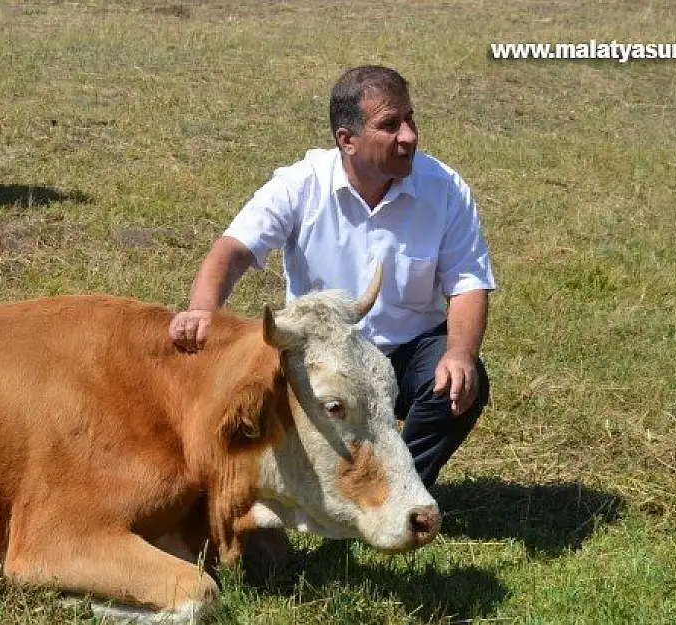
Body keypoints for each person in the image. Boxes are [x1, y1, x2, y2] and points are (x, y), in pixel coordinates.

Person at [169, 65, 496, 489]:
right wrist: (201, 309)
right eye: (390, 124)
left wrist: (460, 354)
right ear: (348, 140)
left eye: (411, 119)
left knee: (457, 383)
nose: (410, 135)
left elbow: (468, 283)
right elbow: (233, 251)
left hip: (410, 349)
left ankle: (396, 489)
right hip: (320, 350)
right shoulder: (300, 184)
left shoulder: (445, 188)